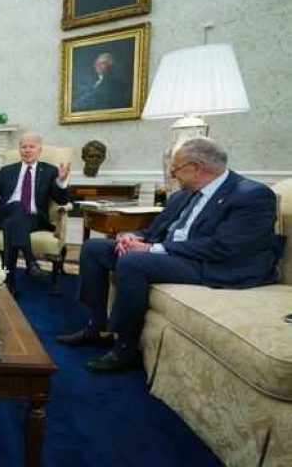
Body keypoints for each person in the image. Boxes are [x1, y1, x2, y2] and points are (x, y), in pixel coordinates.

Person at [58, 137, 282, 372]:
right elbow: (155, 231)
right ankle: (96, 326)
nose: (173, 176)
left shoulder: (251, 195)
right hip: (174, 255)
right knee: (95, 249)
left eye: (176, 170)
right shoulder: (183, 195)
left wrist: (151, 249)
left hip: (212, 264)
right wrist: (134, 237)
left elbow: (224, 247)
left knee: (134, 262)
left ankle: (125, 348)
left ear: (196, 168)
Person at [0, 133, 71, 293]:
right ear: (19, 149)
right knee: (16, 206)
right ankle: (30, 262)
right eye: (24, 147)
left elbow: (61, 200)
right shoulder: (7, 170)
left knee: (13, 224)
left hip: (33, 219)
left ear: (39, 150)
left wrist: (62, 181)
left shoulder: (50, 171)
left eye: (31, 146)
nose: (27, 150)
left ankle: (10, 283)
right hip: (4, 214)